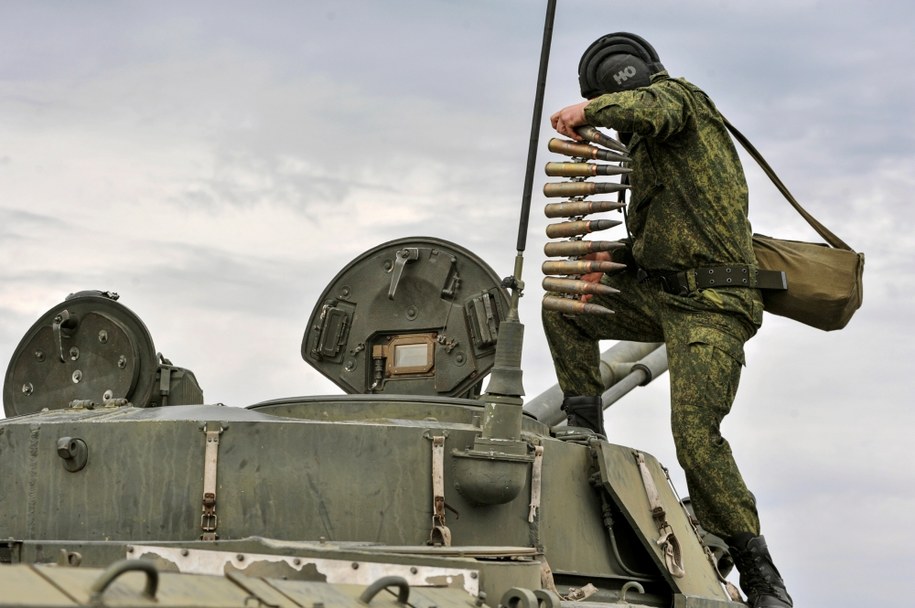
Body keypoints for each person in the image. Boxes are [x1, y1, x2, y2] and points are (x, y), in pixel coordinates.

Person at [542, 32, 793, 608]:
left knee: (696, 439)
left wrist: (590, 110)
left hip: (712, 306)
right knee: (568, 306)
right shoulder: (647, 156)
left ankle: (761, 573)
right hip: (662, 296)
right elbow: (674, 235)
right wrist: (621, 257)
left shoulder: (683, 103)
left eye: (610, 103)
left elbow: (656, 106)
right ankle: (584, 424)